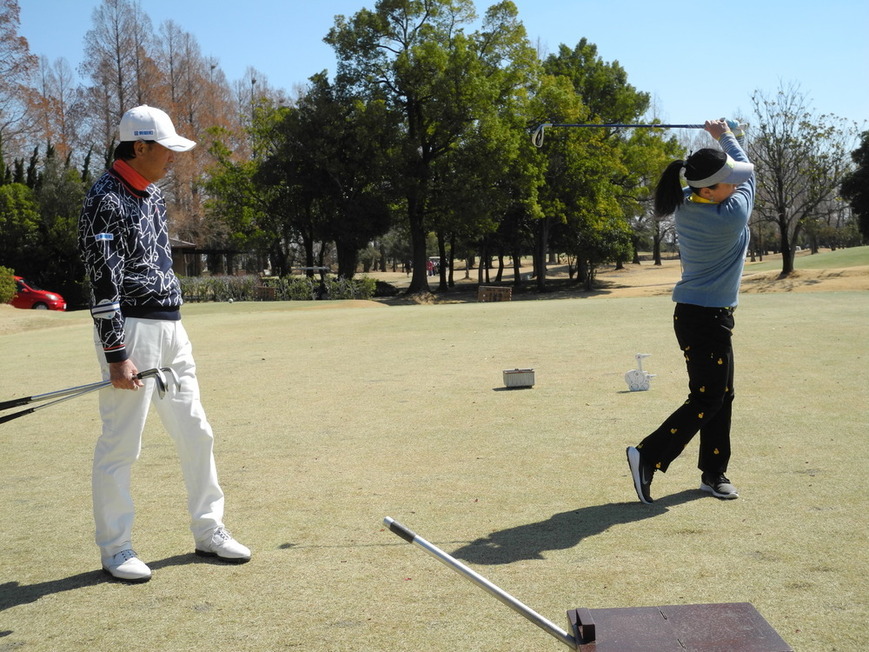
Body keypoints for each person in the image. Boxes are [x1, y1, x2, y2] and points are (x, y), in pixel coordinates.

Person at [79, 105, 250, 582]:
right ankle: (115, 548)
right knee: (121, 443)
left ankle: (208, 529)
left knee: (197, 430)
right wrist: (117, 355)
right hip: (131, 331)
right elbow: (102, 283)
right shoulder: (102, 199)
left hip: (172, 327)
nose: (172, 159)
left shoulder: (152, 196)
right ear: (139, 147)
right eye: (165, 149)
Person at [626, 118, 755, 505]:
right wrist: (724, 136)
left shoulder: (687, 203)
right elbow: (749, 173)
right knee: (706, 398)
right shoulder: (731, 213)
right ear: (710, 191)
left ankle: (713, 473)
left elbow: (727, 175)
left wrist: (715, 145)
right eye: (726, 181)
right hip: (705, 319)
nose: (734, 184)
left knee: (721, 394)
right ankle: (648, 455)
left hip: (702, 315)